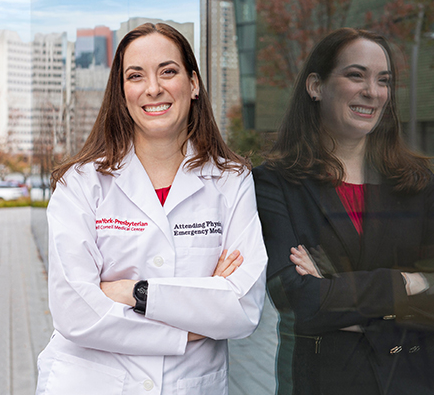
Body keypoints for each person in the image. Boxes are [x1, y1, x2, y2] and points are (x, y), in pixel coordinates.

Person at [36, 23, 268, 395]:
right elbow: (75, 314)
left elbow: (242, 309)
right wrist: (197, 312)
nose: (153, 88)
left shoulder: (231, 181)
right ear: (122, 92)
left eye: (168, 71)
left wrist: (132, 292)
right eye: (136, 76)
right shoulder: (81, 183)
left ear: (193, 84)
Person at [253, 28, 434, 395]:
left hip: (418, 379)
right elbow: (301, 301)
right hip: (327, 381)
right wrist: (410, 282)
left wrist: (337, 294)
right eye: (356, 75)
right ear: (315, 86)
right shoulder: (275, 183)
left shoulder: (416, 182)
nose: (372, 92)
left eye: (383, 81)